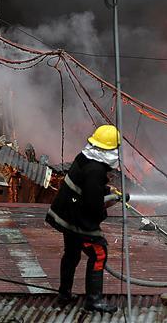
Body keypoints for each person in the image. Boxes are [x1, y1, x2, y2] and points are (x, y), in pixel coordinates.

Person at [46, 124, 122, 313]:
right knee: (99, 253)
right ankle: (94, 301)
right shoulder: (96, 171)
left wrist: (106, 191)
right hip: (78, 219)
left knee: (71, 254)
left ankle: (64, 294)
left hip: (66, 214)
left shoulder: (85, 157)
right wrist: (109, 203)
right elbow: (93, 206)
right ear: (110, 150)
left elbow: (86, 187)